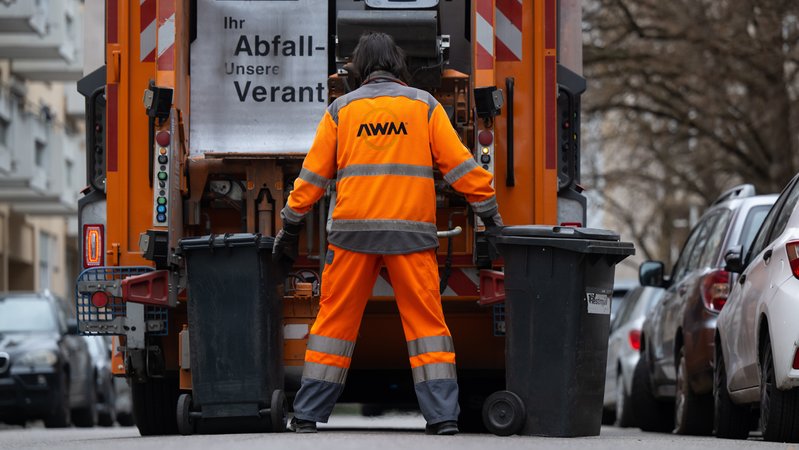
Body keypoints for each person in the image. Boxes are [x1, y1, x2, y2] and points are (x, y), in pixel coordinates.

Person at [273, 32, 502, 435]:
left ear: (359, 68)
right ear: (399, 66)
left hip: (351, 236)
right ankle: (444, 418)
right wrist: (489, 213)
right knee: (427, 325)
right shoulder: (424, 107)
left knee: (333, 324)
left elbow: (311, 177)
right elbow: (461, 166)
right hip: (411, 237)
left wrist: (290, 224)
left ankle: (307, 415)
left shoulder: (340, 111)